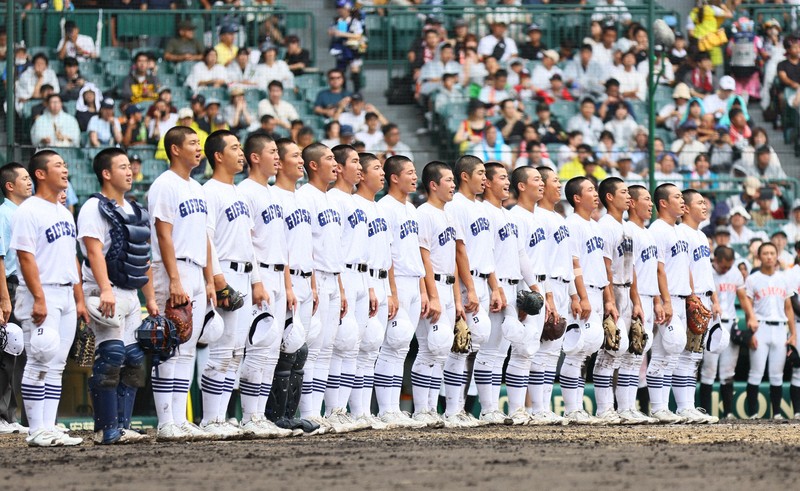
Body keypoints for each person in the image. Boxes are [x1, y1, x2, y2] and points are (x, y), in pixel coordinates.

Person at [10, 150, 89, 447]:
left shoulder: (64, 211)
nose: (65, 170)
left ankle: (48, 426)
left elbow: (72, 258)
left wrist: (79, 299)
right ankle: (36, 430)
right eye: (58, 165)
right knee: (39, 358)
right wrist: (39, 297)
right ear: (40, 174)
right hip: (41, 293)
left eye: (66, 165)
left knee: (56, 365)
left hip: (66, 292)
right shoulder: (29, 210)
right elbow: (25, 256)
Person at [78, 149, 156, 445]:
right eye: (122, 166)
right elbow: (94, 251)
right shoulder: (93, 208)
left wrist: (151, 299)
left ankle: (123, 425)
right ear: (106, 173)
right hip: (103, 292)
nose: (130, 171)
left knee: (134, 360)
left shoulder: (135, 210)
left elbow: (141, 259)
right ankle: (105, 428)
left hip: (130, 293)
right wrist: (106, 288)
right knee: (110, 358)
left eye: (131, 166)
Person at [147, 126, 215, 442]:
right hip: (173, 271)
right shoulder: (164, 185)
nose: (198, 148)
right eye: (192, 143)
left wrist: (209, 279)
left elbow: (204, 236)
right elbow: (163, 234)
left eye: (199, 143)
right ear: (175, 149)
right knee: (169, 348)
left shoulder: (197, 187)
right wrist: (174, 279)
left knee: (187, 349)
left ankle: (180, 418)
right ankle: (165, 422)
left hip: (197, 270)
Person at [197, 130, 262, 438]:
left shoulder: (237, 192)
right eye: (234, 147)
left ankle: (222, 417)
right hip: (225, 274)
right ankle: (210, 419)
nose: (240, 153)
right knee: (222, 351)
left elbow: (249, 242)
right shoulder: (209, 190)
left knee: (237, 351)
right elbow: (206, 239)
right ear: (218, 156)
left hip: (245, 273)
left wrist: (256, 280)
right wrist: (217, 279)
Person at [266, 138, 322, 434]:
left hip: (304, 279)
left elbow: (306, 246)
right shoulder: (274, 196)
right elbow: (281, 248)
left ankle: (289, 415)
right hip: (284, 279)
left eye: (302, 156)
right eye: (295, 156)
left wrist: (312, 284)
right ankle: (274, 415)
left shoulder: (301, 198)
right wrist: (288, 285)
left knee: (300, 351)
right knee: (284, 349)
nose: (300, 161)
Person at [443, 156, 501, 426]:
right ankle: (452, 409)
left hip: (483, 280)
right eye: (480, 173)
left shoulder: (481, 208)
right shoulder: (456, 205)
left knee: (474, 346)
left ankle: (463, 408)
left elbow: (486, 252)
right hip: (467, 283)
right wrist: (469, 289)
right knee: (460, 346)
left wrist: (495, 286)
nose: (484, 178)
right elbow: (458, 251)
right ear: (465, 176)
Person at [295, 143, 347, 431]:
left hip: (332, 277)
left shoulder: (331, 200)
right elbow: (306, 245)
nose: (334, 163)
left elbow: (332, 247)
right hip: (313, 278)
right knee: (311, 347)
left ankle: (319, 411)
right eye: (329, 158)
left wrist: (339, 285)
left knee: (326, 347)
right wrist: (313, 283)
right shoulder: (305, 197)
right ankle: (308, 411)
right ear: (313, 165)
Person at [374, 155, 427, 428]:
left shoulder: (411, 209)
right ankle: (386, 409)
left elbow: (415, 254)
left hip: (414, 281)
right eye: (409, 172)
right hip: (396, 282)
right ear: (394, 177)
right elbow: (388, 254)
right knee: (391, 345)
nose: (414, 176)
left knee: (402, 346)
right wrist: (392, 292)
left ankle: (394, 408)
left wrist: (424, 290)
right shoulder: (385, 207)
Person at [324, 145, 373, 431]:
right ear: (340, 168)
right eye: (354, 161)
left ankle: (347, 411)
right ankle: (333, 410)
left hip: (361, 276)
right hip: (342, 276)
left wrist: (369, 288)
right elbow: (335, 249)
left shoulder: (357, 202)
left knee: (354, 346)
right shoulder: (333, 199)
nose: (359, 167)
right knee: (338, 344)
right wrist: (341, 286)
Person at [505, 166, 556, 424]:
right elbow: (516, 258)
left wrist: (549, 297)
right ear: (522, 186)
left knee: (533, 350)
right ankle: (516, 410)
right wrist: (523, 296)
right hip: (523, 290)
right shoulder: (515, 217)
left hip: (538, 288)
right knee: (522, 350)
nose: (542, 183)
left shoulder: (539, 218)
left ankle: (537, 410)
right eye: (536, 179)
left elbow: (542, 263)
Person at [593, 177, 645, 424]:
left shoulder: (625, 227)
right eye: (624, 192)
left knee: (629, 351)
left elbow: (631, 267)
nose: (629, 196)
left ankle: (625, 408)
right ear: (610, 197)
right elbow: (604, 266)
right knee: (610, 350)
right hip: (612, 290)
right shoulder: (605, 226)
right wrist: (609, 301)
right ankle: (604, 409)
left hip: (626, 290)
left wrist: (636, 301)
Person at [413, 161, 459, 427]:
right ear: (433, 184)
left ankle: (432, 408)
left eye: (454, 180)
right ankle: (422, 410)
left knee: (440, 351)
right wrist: (432, 294)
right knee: (429, 348)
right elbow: (424, 257)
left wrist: (456, 300)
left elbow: (451, 258)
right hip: (434, 286)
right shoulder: (425, 213)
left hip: (448, 284)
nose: (453, 185)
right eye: (448, 180)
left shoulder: (448, 214)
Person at [559, 176, 606, 424]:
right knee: (577, 351)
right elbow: (572, 263)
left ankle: (578, 408)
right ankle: (572, 409)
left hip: (597, 292)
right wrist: (577, 296)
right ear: (577, 198)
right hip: (583, 291)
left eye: (595, 189)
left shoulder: (595, 225)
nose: (595, 193)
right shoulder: (572, 224)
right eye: (590, 190)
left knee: (587, 351)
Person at [673, 189, 720, 423]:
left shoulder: (701, 236)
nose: (705, 206)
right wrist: (693, 297)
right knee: (684, 354)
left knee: (694, 357)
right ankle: (683, 407)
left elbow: (705, 270)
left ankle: (688, 406)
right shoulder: (681, 233)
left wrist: (714, 300)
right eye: (700, 202)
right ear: (686, 208)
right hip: (691, 298)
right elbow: (686, 269)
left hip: (704, 295)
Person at [645, 183, 691, 423]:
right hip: (668, 298)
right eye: (677, 197)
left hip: (682, 298)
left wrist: (691, 295)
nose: (682, 200)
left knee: (673, 354)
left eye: (682, 196)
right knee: (666, 351)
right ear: (663, 203)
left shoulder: (679, 230)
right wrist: (664, 301)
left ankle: (676, 408)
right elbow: (657, 269)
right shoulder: (658, 229)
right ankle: (658, 407)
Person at [625, 185, 665, 422]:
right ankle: (625, 407)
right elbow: (630, 270)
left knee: (639, 355)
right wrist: (636, 301)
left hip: (650, 297)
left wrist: (658, 300)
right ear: (632, 203)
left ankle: (632, 408)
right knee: (629, 355)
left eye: (651, 200)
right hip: (635, 298)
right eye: (646, 200)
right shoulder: (628, 230)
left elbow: (654, 270)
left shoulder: (648, 232)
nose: (650, 204)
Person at [699, 245, 753, 419]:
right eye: (724, 266)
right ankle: (705, 412)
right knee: (709, 370)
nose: (727, 269)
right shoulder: (705, 270)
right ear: (716, 260)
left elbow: (743, 298)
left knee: (728, 371)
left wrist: (750, 316)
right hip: (711, 323)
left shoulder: (735, 273)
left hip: (729, 323)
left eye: (729, 266)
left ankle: (728, 412)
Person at [744, 242, 796, 419]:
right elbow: (747, 308)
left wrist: (793, 333)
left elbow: (788, 307)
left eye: (772, 253)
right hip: (760, 326)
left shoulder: (784, 278)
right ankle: (752, 413)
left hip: (780, 328)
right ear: (759, 257)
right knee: (756, 372)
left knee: (777, 374)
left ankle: (778, 413)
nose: (769, 256)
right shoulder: (752, 279)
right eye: (765, 253)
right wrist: (750, 333)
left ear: (777, 256)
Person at [0, 163, 32, 436]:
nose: (29, 181)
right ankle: (4, 415)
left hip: (29, 286)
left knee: (27, 352)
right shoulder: (4, 214)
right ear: (10, 185)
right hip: (10, 285)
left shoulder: (30, 213)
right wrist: (3, 298)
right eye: (24, 178)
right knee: (7, 351)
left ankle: (23, 418)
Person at [329, 0, 365, 92]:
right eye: (339, 8)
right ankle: (343, 92)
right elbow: (331, 31)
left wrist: (343, 34)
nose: (340, 10)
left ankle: (357, 92)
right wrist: (333, 32)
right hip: (341, 48)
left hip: (353, 49)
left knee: (355, 70)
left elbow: (358, 35)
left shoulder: (355, 21)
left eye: (342, 8)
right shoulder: (337, 20)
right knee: (341, 71)